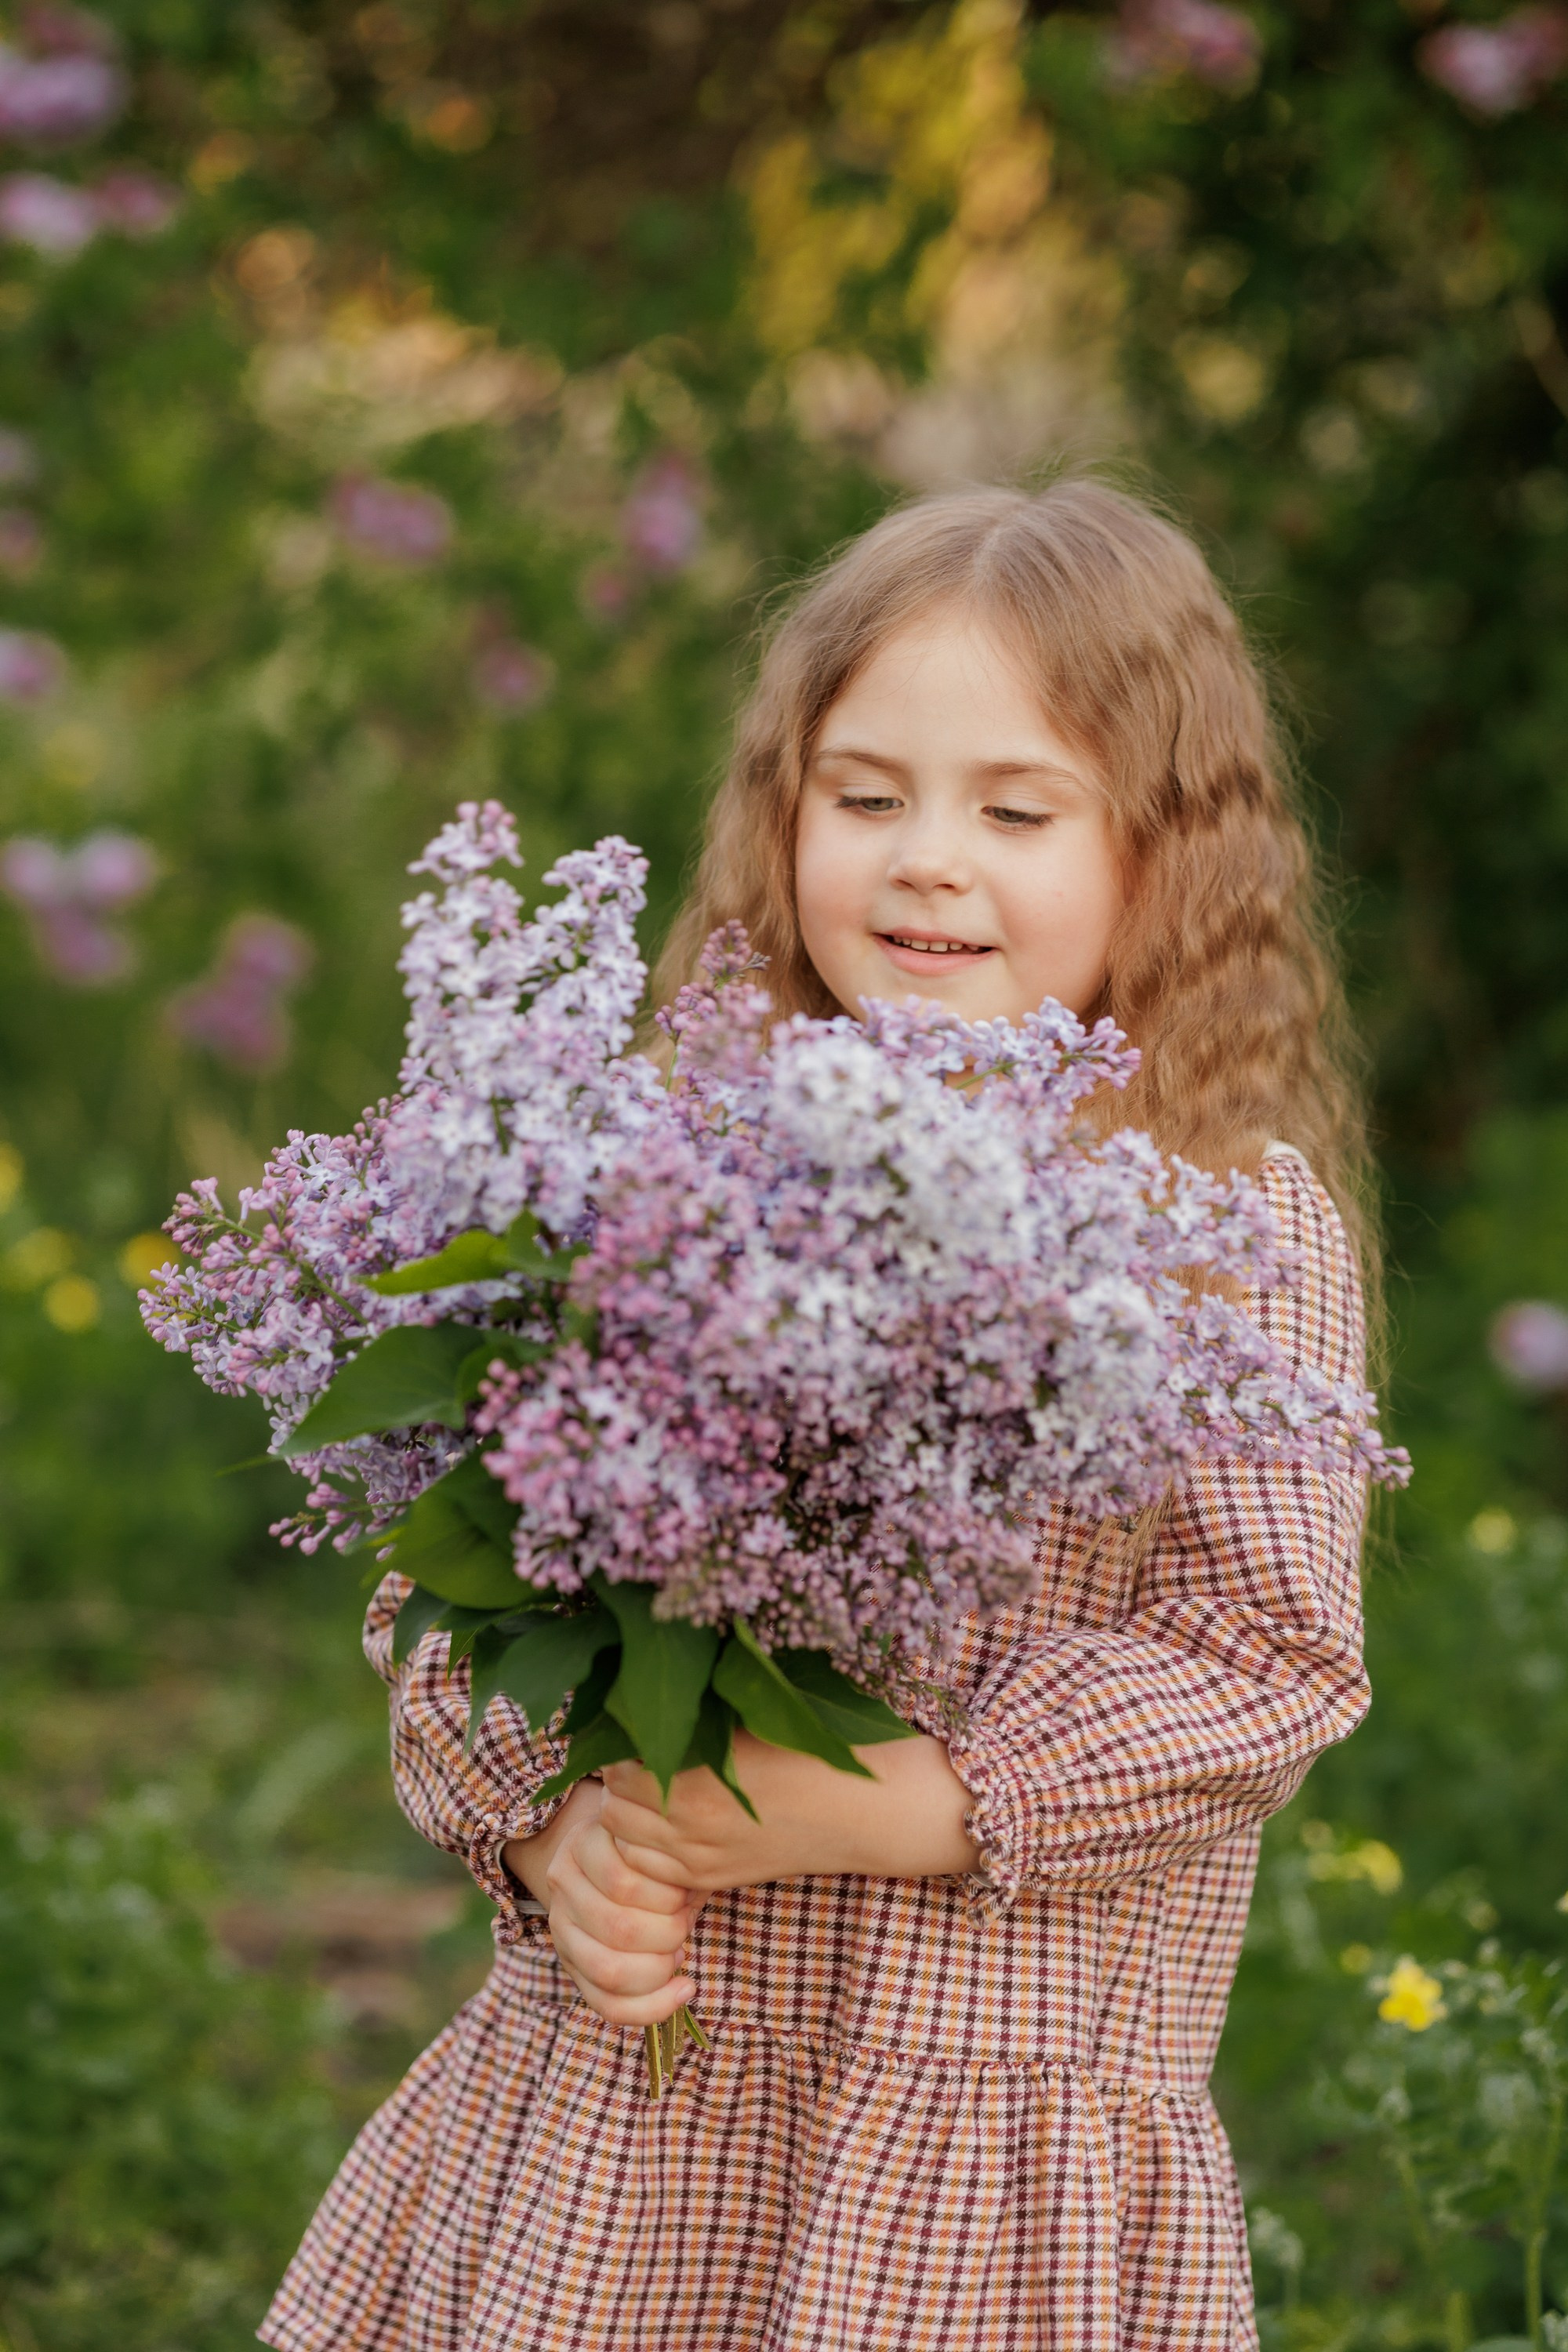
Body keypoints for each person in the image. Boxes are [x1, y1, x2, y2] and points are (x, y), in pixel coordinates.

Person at [260, 481, 1375, 2352]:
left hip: (975, 2157)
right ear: (784, 817)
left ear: (1168, 857)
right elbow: (457, 1577)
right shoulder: (679, 1167)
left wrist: (877, 1801)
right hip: (624, 2124)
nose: (928, 861)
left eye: (1015, 811)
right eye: (865, 798)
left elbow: (1259, 1654)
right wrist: (550, 1834)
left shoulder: (1213, 1224)